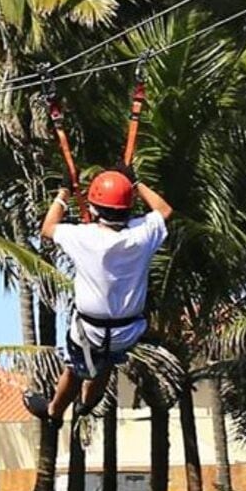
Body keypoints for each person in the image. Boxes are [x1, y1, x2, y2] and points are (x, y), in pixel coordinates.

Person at [30, 168, 174, 418]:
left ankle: (54, 410)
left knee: (75, 370)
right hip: (127, 332)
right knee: (106, 362)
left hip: (90, 331)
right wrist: (136, 182)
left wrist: (64, 193)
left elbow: (48, 227)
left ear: (94, 209)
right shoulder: (142, 234)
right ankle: (88, 403)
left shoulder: (83, 236)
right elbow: (164, 211)